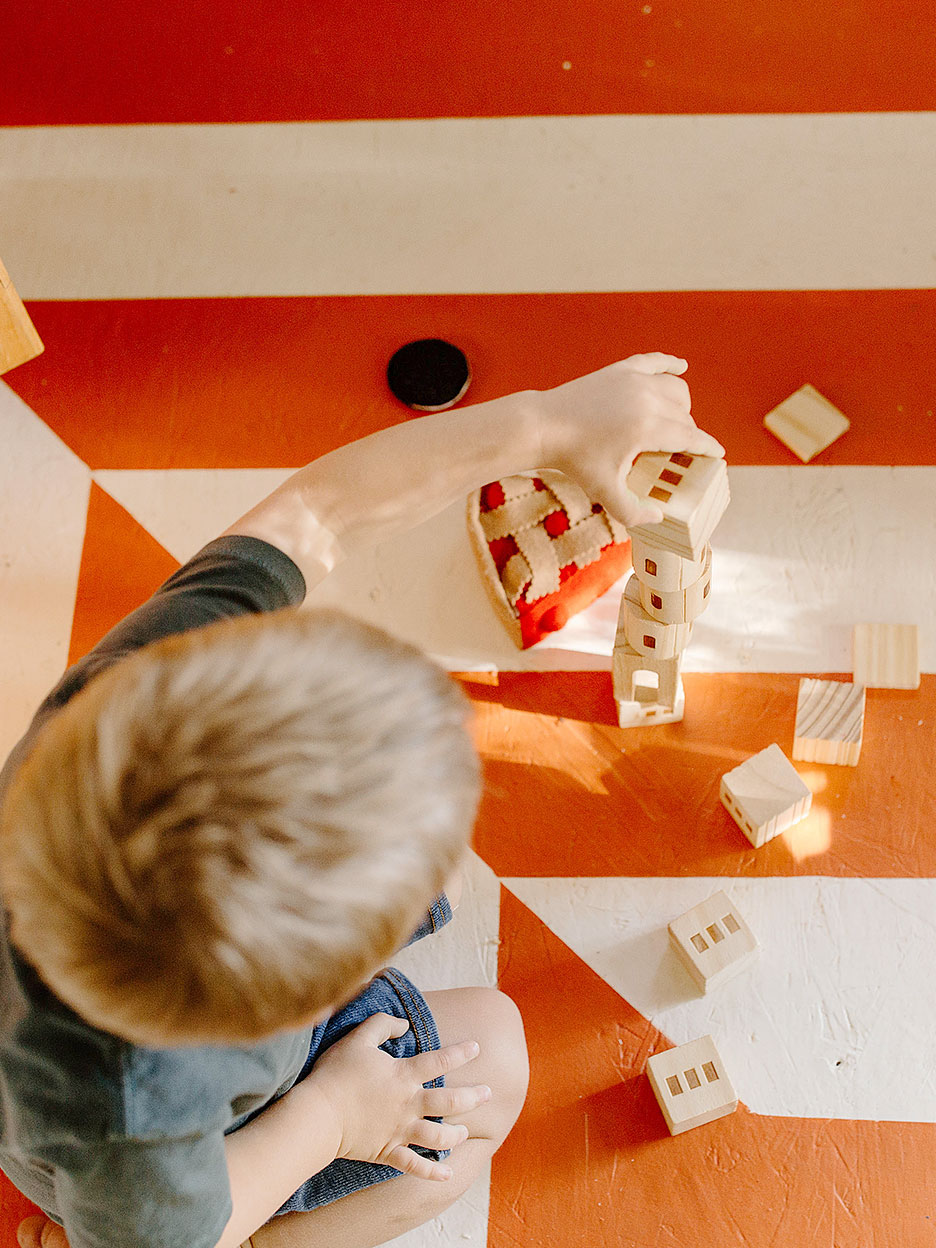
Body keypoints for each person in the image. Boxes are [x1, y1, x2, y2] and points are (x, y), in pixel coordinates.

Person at [0, 354, 723, 1248]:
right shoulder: (133, 1101)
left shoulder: (134, 698)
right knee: (474, 1093)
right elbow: (178, 1223)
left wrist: (550, 423)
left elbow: (316, 512)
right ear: (291, 997)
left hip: (94, 1071)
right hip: (164, 1188)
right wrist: (333, 1118)